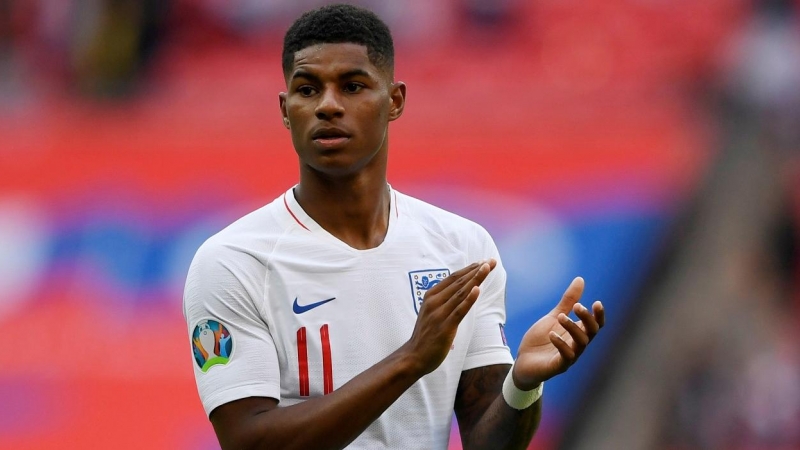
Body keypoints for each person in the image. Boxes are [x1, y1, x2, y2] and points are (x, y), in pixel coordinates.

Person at [183, 4, 605, 449]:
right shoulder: (233, 261)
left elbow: (488, 441)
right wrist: (410, 359)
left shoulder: (461, 248)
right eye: (308, 89)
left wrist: (521, 384)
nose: (328, 105)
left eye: (352, 86)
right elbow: (248, 441)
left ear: (394, 100)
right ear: (287, 110)